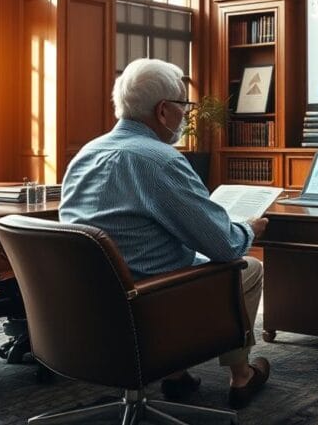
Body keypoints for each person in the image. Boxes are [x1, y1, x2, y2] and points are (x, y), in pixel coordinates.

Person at [59, 58, 270, 409]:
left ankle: (175, 375)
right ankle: (241, 376)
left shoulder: (86, 153)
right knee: (247, 265)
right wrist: (250, 227)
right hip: (146, 304)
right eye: (184, 107)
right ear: (162, 111)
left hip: (85, 304)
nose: (186, 116)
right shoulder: (159, 160)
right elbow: (225, 245)